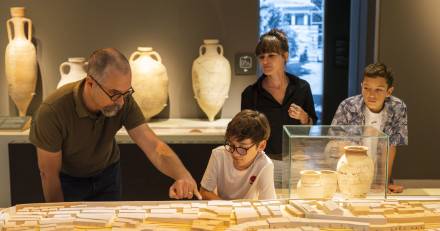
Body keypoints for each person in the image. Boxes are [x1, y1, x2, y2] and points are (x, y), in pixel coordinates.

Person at [29, 48, 201, 202]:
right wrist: (59, 218)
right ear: (90, 83)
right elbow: (49, 174)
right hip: (69, 180)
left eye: (125, 92)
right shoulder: (52, 112)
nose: (120, 102)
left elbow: (153, 146)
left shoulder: (122, 100)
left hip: (107, 175)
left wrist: (183, 175)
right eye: (114, 93)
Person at [241, 28, 317, 160]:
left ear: (285, 56)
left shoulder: (302, 88)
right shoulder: (250, 93)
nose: (265, 61)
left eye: (271, 55)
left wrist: (304, 117)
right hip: (262, 160)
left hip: (297, 158)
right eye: (261, 57)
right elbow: (245, 133)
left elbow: (311, 124)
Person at [332, 63, 408, 193]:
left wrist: (384, 183)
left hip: (378, 176)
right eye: (367, 88)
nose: (371, 95)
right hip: (349, 176)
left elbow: (391, 147)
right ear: (361, 86)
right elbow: (336, 144)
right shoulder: (348, 106)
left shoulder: (398, 108)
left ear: (389, 91)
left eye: (378, 90)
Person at [200, 109, 276, 200]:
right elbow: (204, 191)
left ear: (261, 146)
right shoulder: (219, 155)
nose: (235, 154)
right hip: (223, 211)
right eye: (231, 145)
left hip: (248, 212)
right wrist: (228, 208)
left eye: (242, 148)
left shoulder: (265, 165)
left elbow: (268, 202)